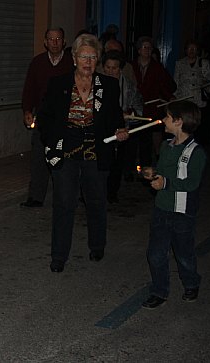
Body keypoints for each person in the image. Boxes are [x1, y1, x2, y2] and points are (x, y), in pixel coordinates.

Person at [38, 34, 128, 273]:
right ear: (74, 58)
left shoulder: (107, 85)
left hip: (96, 149)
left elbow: (115, 116)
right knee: (64, 203)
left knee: (96, 201)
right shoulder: (59, 83)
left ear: (97, 59)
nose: (88, 61)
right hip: (66, 148)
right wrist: (50, 141)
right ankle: (59, 256)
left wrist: (120, 131)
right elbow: (45, 117)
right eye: (83, 56)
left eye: (92, 56)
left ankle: (97, 245)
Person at [141, 100, 206, 309]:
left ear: (178, 122)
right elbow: (162, 171)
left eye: (168, 117)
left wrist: (166, 182)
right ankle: (159, 290)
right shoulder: (165, 146)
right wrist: (153, 174)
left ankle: (191, 282)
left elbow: (192, 183)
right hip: (162, 208)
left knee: (184, 253)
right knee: (155, 253)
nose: (164, 121)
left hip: (182, 212)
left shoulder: (196, 152)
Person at [20, 27, 74, 208]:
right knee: (38, 157)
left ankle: (66, 196)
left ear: (64, 41)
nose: (55, 42)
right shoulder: (38, 63)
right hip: (43, 118)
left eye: (58, 39)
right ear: (45, 42)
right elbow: (29, 89)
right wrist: (28, 111)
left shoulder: (71, 62)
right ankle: (36, 196)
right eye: (51, 39)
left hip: (66, 119)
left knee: (64, 158)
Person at [102, 50, 143, 203]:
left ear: (120, 69)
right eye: (108, 67)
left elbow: (139, 108)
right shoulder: (96, 84)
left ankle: (112, 192)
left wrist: (130, 113)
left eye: (114, 68)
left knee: (116, 163)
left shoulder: (129, 87)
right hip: (102, 130)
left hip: (122, 129)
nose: (111, 71)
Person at [132, 36, 176, 166]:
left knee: (147, 140)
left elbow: (166, 86)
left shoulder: (157, 68)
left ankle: (146, 166)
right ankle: (129, 167)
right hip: (135, 108)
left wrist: (169, 97)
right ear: (139, 50)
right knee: (133, 139)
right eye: (145, 47)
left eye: (150, 48)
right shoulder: (132, 66)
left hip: (151, 109)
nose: (148, 50)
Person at [173, 40, 210, 144]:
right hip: (184, 100)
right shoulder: (179, 63)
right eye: (190, 48)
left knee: (198, 130)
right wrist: (174, 98)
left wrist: (205, 83)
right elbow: (175, 82)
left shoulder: (203, 63)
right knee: (184, 128)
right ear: (186, 50)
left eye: (194, 49)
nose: (192, 51)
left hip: (198, 101)